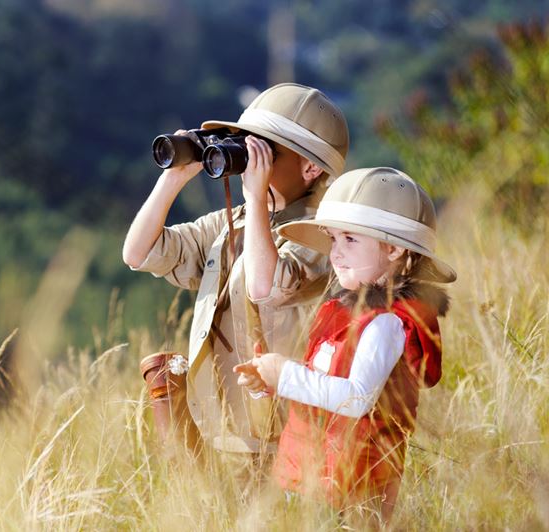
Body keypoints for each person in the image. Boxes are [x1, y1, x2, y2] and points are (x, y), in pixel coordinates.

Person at [123, 83, 350, 455]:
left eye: (266, 152)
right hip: (221, 426)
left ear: (310, 167)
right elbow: (139, 252)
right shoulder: (236, 222)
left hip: (283, 434)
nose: (249, 159)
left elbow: (266, 287)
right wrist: (174, 178)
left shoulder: (324, 235)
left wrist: (256, 197)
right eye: (246, 145)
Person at [234, 167, 456, 521]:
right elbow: (320, 382)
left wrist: (285, 376)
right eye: (333, 239)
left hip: (352, 488)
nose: (335, 253)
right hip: (307, 476)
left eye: (350, 240)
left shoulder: (387, 323)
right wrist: (271, 382)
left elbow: (356, 398)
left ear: (394, 248)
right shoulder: (340, 313)